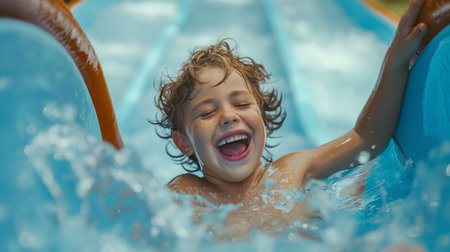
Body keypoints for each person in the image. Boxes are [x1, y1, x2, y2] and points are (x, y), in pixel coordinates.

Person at [152, 0, 428, 224]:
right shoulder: (186, 193)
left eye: (241, 104)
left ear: (262, 120)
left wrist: (396, 59)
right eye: (207, 112)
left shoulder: (292, 172)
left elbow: (365, 138)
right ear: (183, 142)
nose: (228, 116)